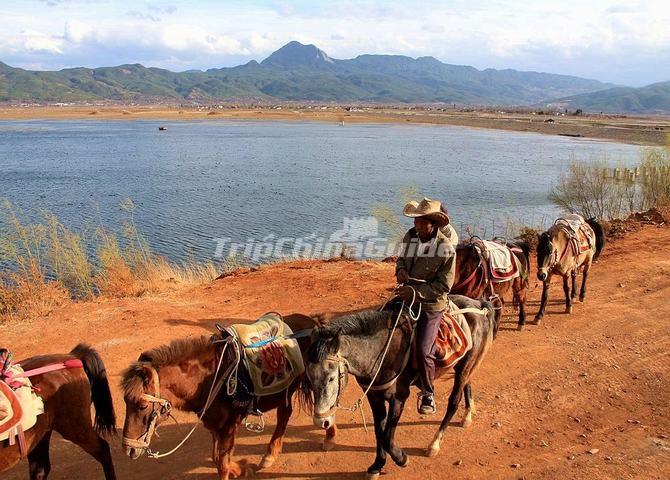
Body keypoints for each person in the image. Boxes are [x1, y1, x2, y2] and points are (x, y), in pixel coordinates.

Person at [395, 198, 456, 415]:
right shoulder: (410, 237)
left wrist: (416, 292)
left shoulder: (445, 249)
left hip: (431, 304)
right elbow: (401, 258)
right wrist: (400, 270)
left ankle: (428, 392)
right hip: (406, 295)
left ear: (434, 224)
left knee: (423, 348)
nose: (417, 226)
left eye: (421, 223)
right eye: (415, 222)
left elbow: (444, 285)